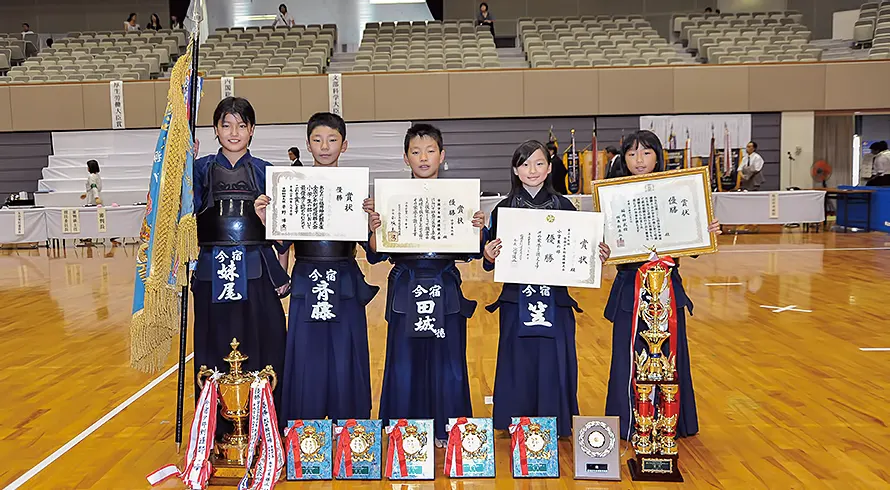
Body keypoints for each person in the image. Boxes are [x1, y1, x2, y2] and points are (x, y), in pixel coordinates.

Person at [482, 140, 611, 438]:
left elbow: (580, 253)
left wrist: (596, 255)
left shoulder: (565, 206)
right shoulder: (503, 210)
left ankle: (556, 417)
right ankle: (516, 419)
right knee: (518, 360)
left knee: (555, 358)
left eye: (539, 163)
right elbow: (490, 261)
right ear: (515, 170)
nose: (532, 170)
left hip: (555, 300)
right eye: (525, 164)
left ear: (550, 168)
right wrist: (488, 253)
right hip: (516, 300)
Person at [366, 124, 485, 445]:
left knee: (448, 360)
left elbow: (473, 253)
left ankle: (450, 427)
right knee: (405, 360)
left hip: (445, 284)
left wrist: (477, 226)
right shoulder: (392, 199)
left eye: (430, 151)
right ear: (405, 158)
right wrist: (374, 227)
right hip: (406, 285)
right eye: (415, 152)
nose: (423, 158)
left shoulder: (459, 199)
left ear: (442, 156)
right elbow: (376, 255)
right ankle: (404, 427)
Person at [256, 112, 378, 424]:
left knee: (346, 355)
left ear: (345, 145)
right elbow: (283, 245)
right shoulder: (294, 187)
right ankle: (303, 428)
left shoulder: (356, 191)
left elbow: (374, 253)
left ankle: (351, 429)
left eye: (332, 140)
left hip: (344, 279)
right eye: (317, 140)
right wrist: (266, 220)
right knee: (305, 355)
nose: (325, 146)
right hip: (307, 277)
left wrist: (373, 222)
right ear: (308, 146)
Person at [603, 130, 721, 441]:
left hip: (667, 286)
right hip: (630, 286)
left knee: (671, 355)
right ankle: (628, 422)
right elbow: (606, 245)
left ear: (658, 156)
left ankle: (670, 421)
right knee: (627, 356)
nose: (638, 160)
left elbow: (693, 247)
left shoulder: (677, 191)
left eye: (645, 153)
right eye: (631, 154)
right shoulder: (613, 195)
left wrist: (705, 230)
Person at [192, 97, 289, 434]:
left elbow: (282, 231)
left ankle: (266, 429)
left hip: (256, 270)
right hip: (210, 271)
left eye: (242, 125)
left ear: (252, 130)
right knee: (213, 347)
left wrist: (281, 265)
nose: (234, 132)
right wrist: (180, 166)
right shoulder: (199, 168)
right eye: (226, 124)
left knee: (265, 341)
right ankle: (216, 432)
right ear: (216, 130)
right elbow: (180, 215)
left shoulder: (266, 172)